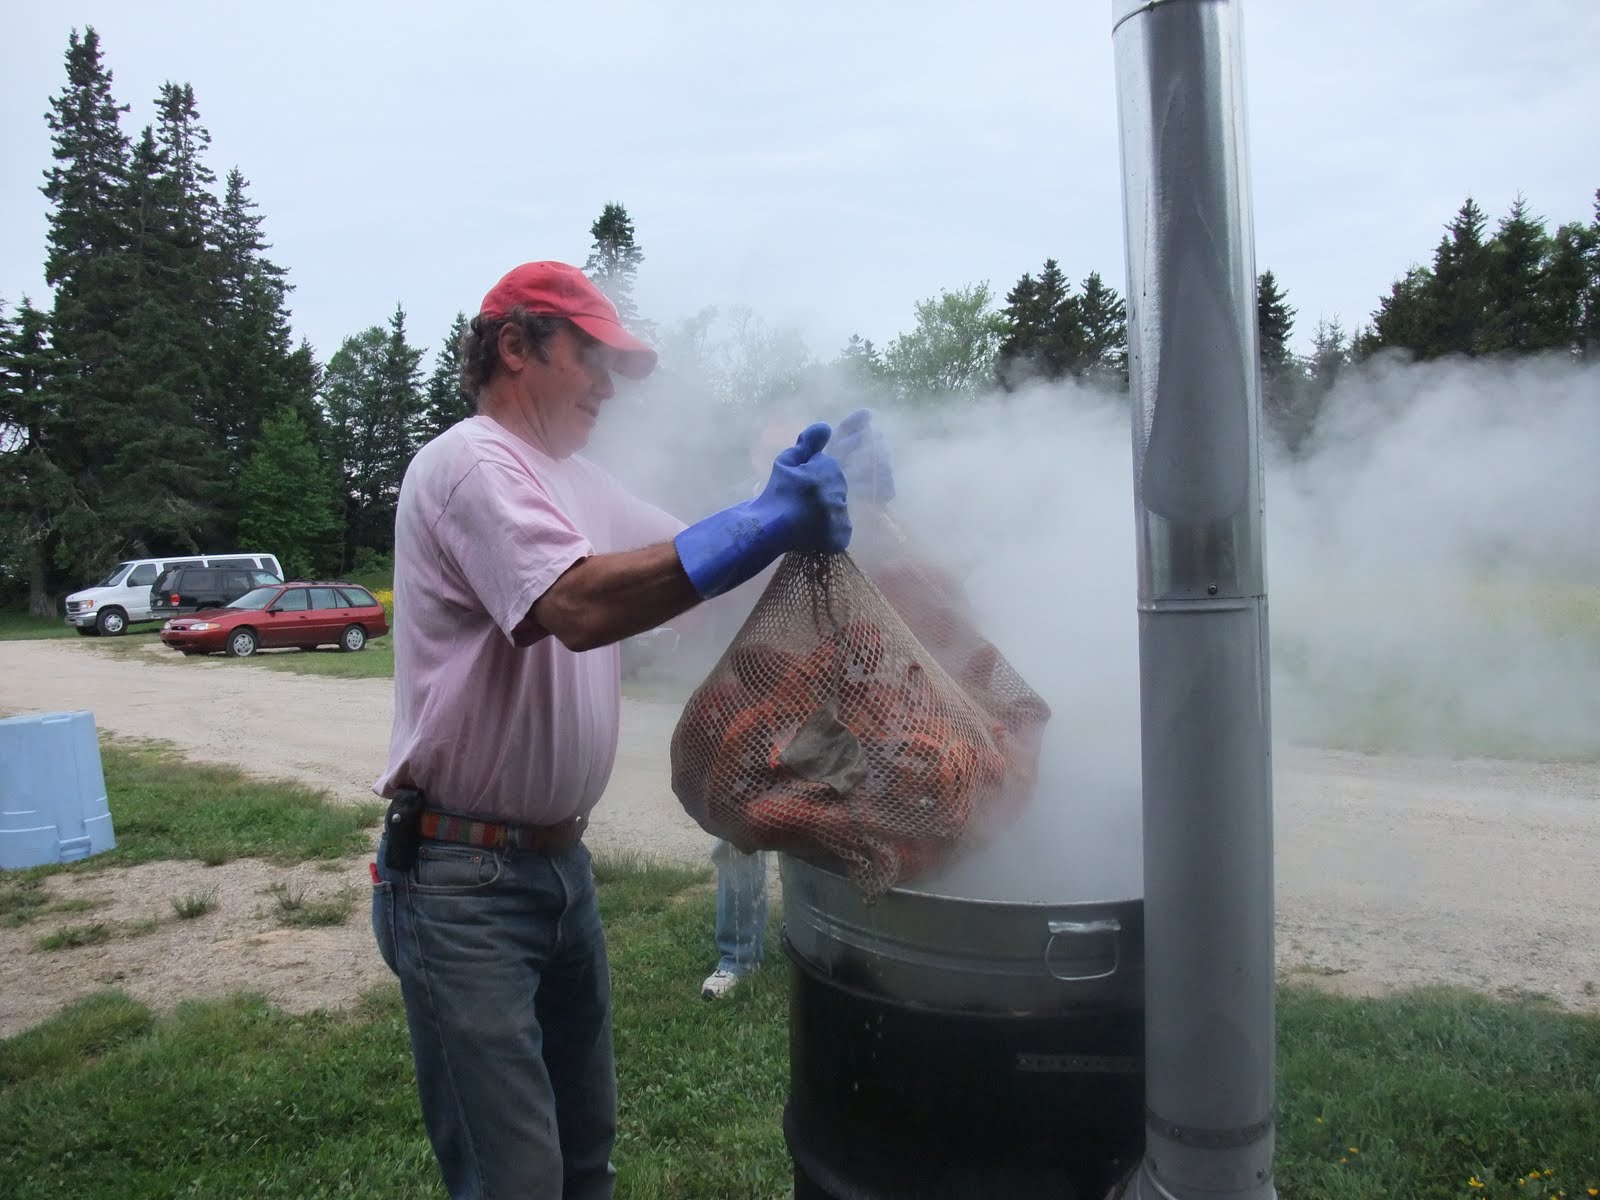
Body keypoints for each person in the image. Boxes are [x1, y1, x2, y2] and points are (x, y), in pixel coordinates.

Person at [368, 259, 870, 1200]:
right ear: (515, 346)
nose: (607, 387)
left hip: (556, 870)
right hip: (461, 882)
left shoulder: (577, 482)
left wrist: (827, 513)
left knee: (584, 1155)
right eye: (591, 359)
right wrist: (764, 522)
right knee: (515, 1177)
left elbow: (707, 575)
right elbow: (578, 605)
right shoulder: (470, 462)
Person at [699, 410, 896, 1000]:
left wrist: (875, 494)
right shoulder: (745, 517)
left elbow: (890, 554)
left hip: (837, 695)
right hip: (757, 693)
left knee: (850, 814)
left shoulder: (837, 509)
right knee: (739, 829)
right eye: (768, 449)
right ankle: (737, 957)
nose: (777, 459)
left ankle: (845, 941)